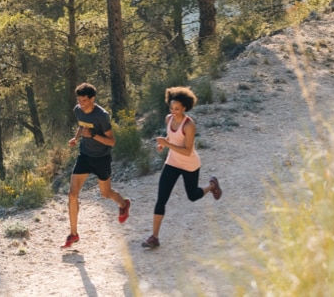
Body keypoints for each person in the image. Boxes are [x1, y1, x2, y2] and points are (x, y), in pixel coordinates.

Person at [141, 86, 222, 248]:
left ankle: (212, 185)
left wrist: (167, 144)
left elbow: (187, 151)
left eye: (177, 108)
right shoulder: (168, 119)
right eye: (171, 108)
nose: (174, 111)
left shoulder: (189, 125)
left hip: (189, 164)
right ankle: (154, 237)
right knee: (161, 199)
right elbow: (171, 137)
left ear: (185, 107)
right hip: (172, 162)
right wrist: (164, 144)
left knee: (192, 196)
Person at [61, 82, 130, 249]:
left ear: (93, 99)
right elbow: (82, 125)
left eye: (84, 100)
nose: (81, 104)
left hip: (101, 158)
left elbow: (111, 141)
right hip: (85, 156)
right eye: (79, 100)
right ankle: (73, 234)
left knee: (106, 193)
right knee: (72, 195)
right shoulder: (78, 110)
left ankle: (123, 204)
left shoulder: (102, 116)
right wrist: (76, 138)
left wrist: (93, 135)